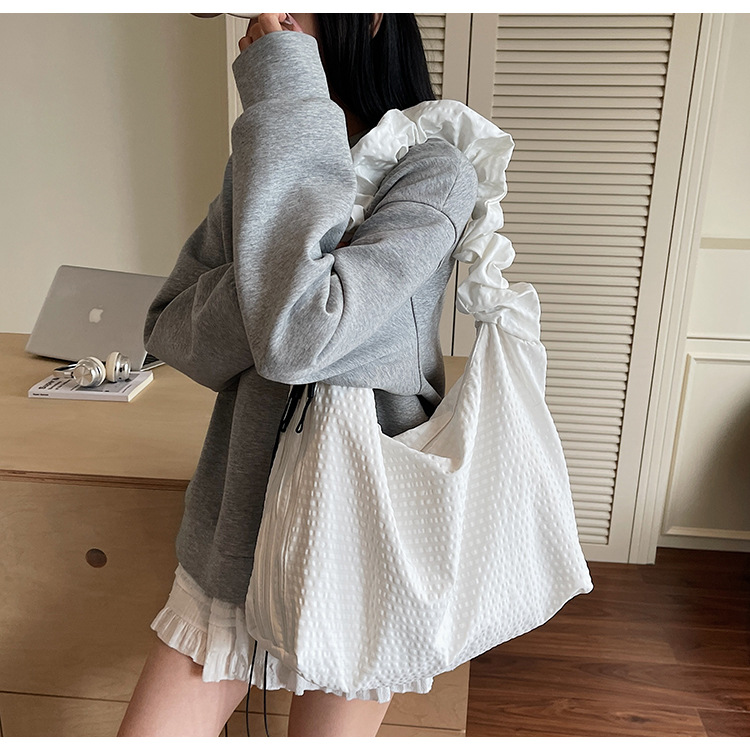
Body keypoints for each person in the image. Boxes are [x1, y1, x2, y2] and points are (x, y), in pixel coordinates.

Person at [117, 12, 478, 737]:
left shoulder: (435, 171)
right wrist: (287, 284)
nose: (261, 16)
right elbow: (173, 331)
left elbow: (298, 337)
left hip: (360, 538)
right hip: (234, 536)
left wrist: (277, 287)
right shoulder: (265, 157)